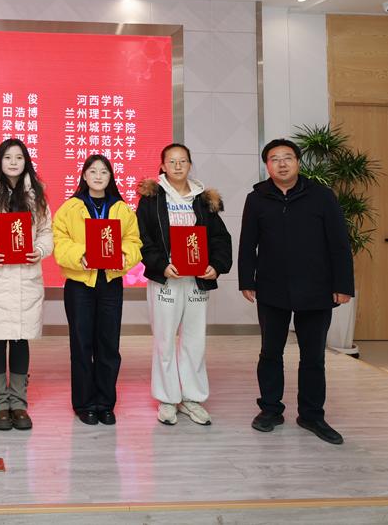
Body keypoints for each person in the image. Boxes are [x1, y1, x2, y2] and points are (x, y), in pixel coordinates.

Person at [239, 138, 354, 445]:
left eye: (287, 157)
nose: (282, 163)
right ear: (267, 166)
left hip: (317, 289)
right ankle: (270, 410)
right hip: (272, 288)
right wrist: (246, 280)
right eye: (274, 159)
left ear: (298, 162)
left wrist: (343, 285)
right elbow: (248, 242)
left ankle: (312, 415)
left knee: (313, 356)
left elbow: (339, 243)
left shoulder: (322, 196)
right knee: (270, 353)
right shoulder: (257, 198)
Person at [136, 143, 232, 426]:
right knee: (164, 340)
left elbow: (220, 238)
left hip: (196, 280)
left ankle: (192, 397)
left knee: (194, 340)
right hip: (167, 278)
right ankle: (167, 399)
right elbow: (143, 238)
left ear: (190, 165)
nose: (177, 166)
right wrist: (161, 264)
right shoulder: (152, 199)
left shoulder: (204, 199)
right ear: (162, 166)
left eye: (183, 161)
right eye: (172, 161)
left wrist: (217, 265)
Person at [52, 154, 142, 426]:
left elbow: (134, 241)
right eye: (93, 171)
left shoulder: (122, 209)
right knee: (81, 344)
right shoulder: (70, 208)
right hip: (80, 284)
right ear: (84, 176)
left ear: (111, 176)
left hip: (110, 283)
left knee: (109, 344)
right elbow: (60, 241)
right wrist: (81, 255)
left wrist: (125, 256)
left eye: (104, 171)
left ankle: (105, 403)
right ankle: (84, 404)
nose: (98, 176)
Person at [0, 138, 52, 431]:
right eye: (8, 157)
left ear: (26, 161)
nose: (14, 162)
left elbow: (46, 231)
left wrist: (40, 250)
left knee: (20, 338)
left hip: (25, 276)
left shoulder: (36, 194)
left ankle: (18, 403)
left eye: (19, 157)